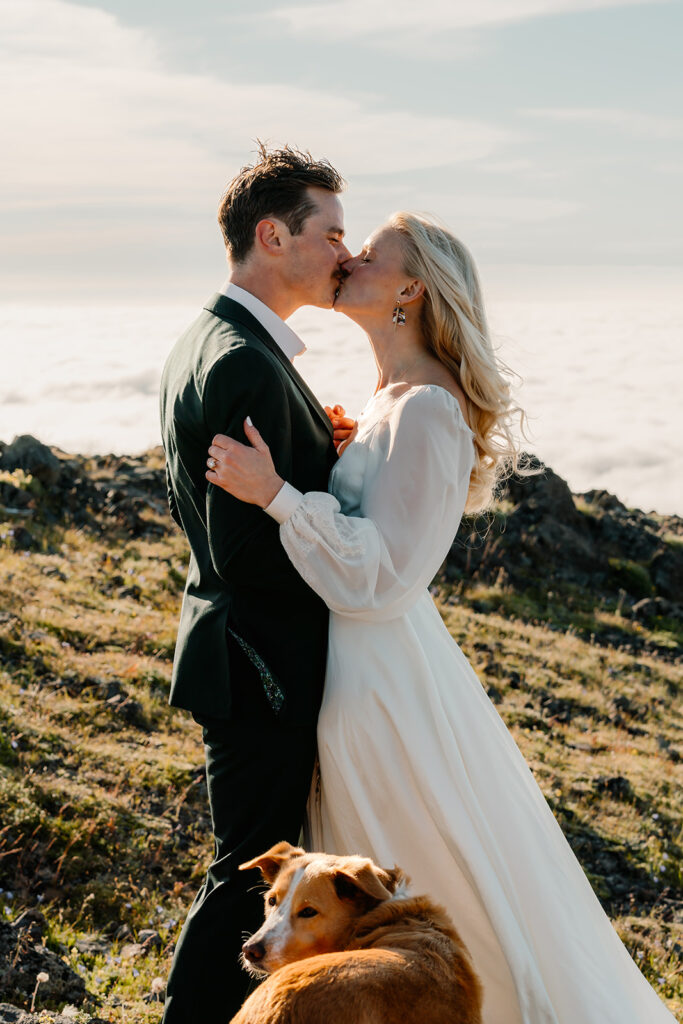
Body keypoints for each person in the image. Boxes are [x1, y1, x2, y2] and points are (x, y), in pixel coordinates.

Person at [205, 213, 677, 1024]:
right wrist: (338, 457)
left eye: (368, 255)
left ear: (410, 291)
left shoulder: (425, 406)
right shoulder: (395, 399)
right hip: (359, 664)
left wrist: (275, 494)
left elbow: (384, 577)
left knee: (413, 855)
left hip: (379, 679)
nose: (347, 259)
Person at [159, 144, 352, 1023]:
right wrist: (344, 530)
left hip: (236, 651)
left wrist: (317, 467)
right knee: (249, 876)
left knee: (254, 867)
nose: (344, 253)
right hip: (260, 661)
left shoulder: (211, 339)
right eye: (331, 234)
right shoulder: (242, 359)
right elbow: (245, 552)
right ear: (273, 236)